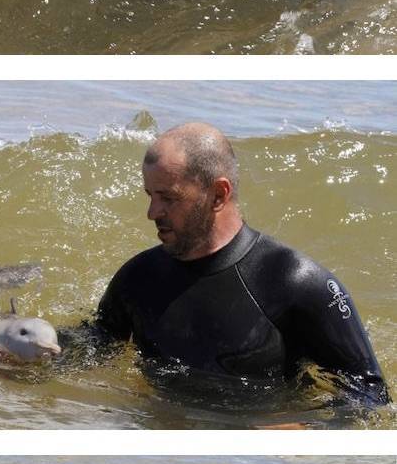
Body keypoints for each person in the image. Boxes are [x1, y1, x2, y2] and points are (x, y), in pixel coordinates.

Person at [64, 117, 386, 405]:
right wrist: (30, 351)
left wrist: (302, 429)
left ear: (218, 194)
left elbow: (371, 395)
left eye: (169, 198)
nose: (152, 213)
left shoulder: (297, 282)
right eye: (150, 196)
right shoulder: (138, 278)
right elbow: (95, 345)